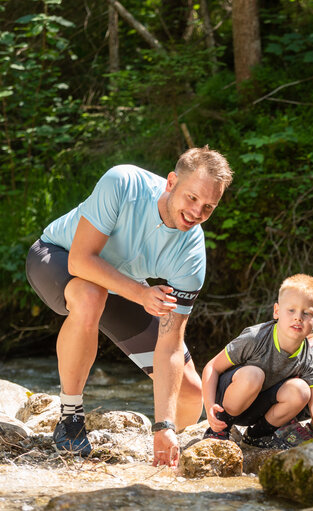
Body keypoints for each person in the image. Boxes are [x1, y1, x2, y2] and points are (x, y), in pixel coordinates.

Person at [25, 146, 233, 466]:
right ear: (171, 182)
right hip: (59, 258)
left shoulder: (192, 255)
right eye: (192, 197)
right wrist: (139, 293)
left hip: (121, 286)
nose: (197, 212)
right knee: (92, 295)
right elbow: (82, 260)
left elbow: (171, 344)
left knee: (190, 392)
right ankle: (70, 417)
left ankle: (171, 455)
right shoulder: (124, 182)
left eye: (208, 206)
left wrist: (164, 425)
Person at [201, 274, 313, 448]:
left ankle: (257, 435)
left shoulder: (308, 359)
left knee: (302, 390)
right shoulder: (255, 338)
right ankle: (220, 428)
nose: (298, 318)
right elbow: (212, 366)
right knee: (253, 374)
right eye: (291, 310)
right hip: (229, 401)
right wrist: (209, 407)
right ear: (277, 311)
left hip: (258, 409)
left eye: (307, 313)